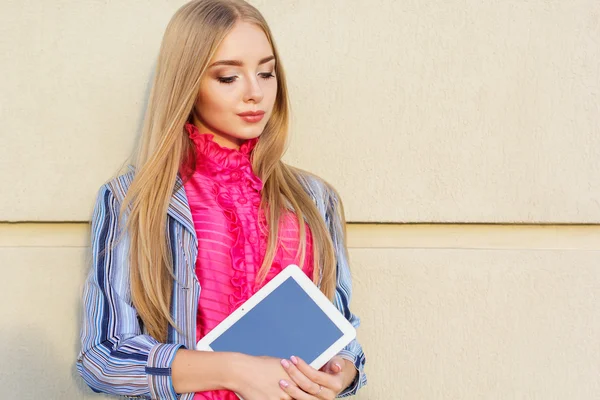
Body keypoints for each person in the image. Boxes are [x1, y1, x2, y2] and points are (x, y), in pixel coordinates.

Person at [76, 0, 367, 399]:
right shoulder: (134, 200)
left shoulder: (316, 200)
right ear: (187, 83)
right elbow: (104, 357)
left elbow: (341, 330)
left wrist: (344, 371)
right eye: (228, 77)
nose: (255, 93)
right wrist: (234, 370)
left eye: (266, 73)